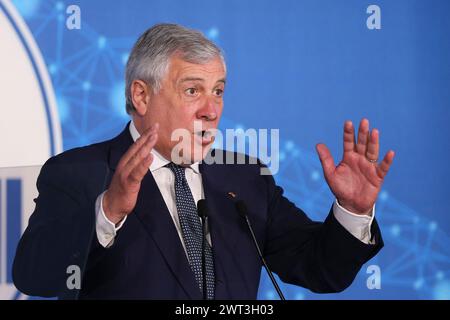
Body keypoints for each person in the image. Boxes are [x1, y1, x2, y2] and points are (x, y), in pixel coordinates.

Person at [13, 23, 394, 300]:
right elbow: (35, 276)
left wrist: (351, 211)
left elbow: (320, 269)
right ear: (142, 97)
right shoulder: (79, 172)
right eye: (193, 90)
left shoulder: (245, 178)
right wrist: (108, 211)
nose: (212, 110)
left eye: (219, 91)